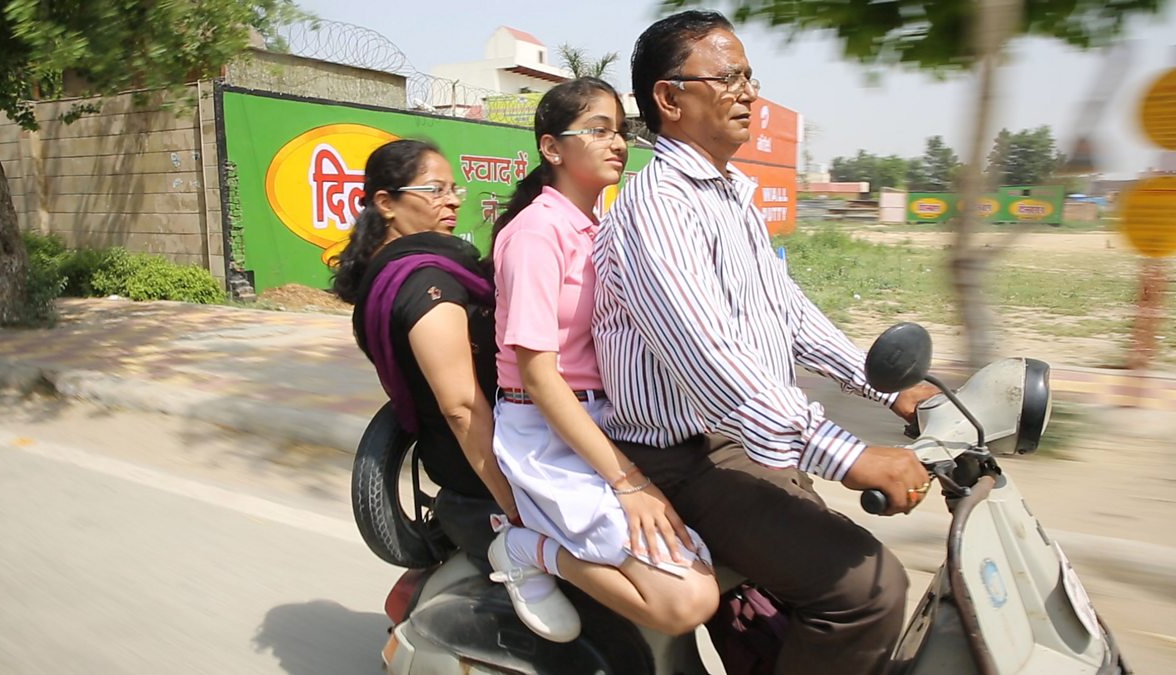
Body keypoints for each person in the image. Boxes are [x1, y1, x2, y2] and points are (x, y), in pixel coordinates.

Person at [592, 11, 939, 675]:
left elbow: (789, 315)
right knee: (868, 589)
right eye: (728, 78)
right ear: (670, 98)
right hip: (685, 457)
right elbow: (713, 363)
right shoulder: (657, 207)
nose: (750, 94)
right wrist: (849, 454)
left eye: (750, 77)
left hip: (741, 441)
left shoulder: (729, 198)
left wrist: (890, 389)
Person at [486, 77, 720, 643]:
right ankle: (524, 549)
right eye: (597, 130)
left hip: (607, 422)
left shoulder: (600, 228)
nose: (617, 143)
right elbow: (539, 377)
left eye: (620, 130)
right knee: (685, 599)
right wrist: (628, 483)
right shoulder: (536, 234)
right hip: (547, 433)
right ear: (551, 147)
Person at [331, 139, 518, 558]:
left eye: (453, 190)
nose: (452, 201)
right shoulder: (424, 281)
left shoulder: (387, 275)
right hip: (486, 472)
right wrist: (514, 505)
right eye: (435, 190)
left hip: (455, 459)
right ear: (386, 203)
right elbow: (461, 407)